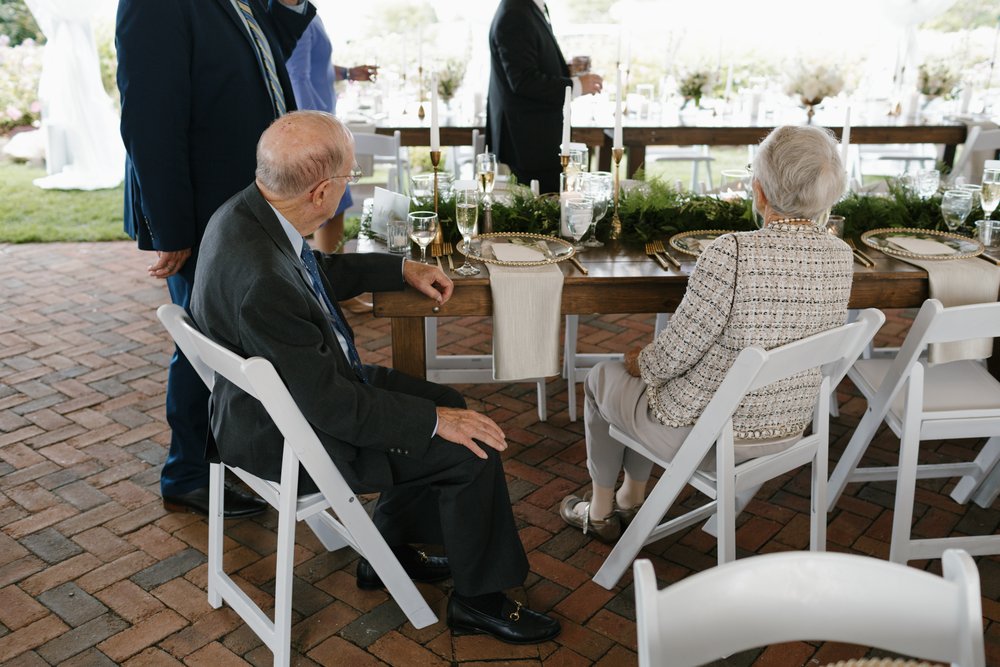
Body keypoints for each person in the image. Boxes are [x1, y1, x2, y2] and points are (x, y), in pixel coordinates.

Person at [190, 110, 561, 645]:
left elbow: (311, 275)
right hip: (294, 437)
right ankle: (480, 600)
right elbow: (336, 409)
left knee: (446, 399)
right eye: (349, 178)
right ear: (321, 193)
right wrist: (436, 424)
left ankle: (391, 547)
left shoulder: (245, 213)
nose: (351, 186)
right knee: (471, 444)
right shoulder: (262, 283)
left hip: (283, 400)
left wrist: (398, 268)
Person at [560, 125, 854, 542]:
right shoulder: (841, 257)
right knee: (643, 378)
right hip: (787, 430)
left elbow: (670, 357)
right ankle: (630, 496)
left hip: (710, 436)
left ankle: (603, 509)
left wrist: (640, 360)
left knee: (602, 378)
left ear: (760, 191)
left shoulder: (733, 252)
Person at [115, 0, 315, 518]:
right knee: (204, 345)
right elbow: (148, 119)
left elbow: (264, 64)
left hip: (247, 206)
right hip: (203, 213)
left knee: (233, 340)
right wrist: (172, 226)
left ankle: (235, 460)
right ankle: (188, 474)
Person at [487, 0, 602, 194]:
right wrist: (578, 85)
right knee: (540, 212)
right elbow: (523, 81)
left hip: (534, 137)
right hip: (529, 141)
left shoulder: (529, 7)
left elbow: (528, 62)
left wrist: (564, 69)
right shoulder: (515, 13)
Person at [285, 14, 377, 255]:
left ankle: (337, 286)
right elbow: (298, 76)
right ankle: (334, 288)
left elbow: (316, 67)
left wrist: (347, 73)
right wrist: (320, 130)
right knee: (328, 206)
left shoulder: (310, 14)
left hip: (324, 124)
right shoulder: (298, 17)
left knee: (336, 205)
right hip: (319, 132)